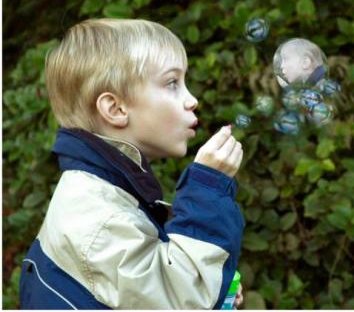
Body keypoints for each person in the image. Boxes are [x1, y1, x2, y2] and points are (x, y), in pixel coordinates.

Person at [19, 18, 245, 309]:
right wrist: (207, 187)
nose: (192, 100)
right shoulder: (96, 215)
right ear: (115, 109)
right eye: (172, 83)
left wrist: (217, 292)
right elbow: (182, 301)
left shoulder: (108, 188)